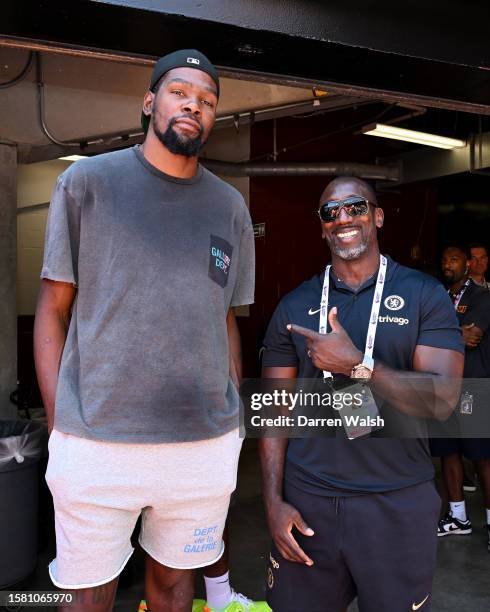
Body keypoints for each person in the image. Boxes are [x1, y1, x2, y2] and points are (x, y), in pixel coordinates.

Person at [34, 49, 262, 612]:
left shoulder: (229, 206)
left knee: (175, 587)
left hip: (201, 445)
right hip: (96, 441)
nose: (194, 105)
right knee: (86, 594)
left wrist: (231, 420)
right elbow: (51, 308)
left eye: (207, 100)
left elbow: (225, 318)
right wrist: (62, 425)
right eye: (180, 92)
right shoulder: (87, 184)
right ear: (149, 102)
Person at [259, 177, 464, 612]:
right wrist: (273, 501)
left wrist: (358, 366)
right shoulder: (295, 305)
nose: (343, 218)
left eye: (355, 207)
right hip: (308, 502)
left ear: (377, 215)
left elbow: (443, 399)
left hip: (396, 502)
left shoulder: (423, 295)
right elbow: (273, 411)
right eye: (330, 213)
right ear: (321, 228)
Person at [430, 246, 490, 550]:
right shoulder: (438, 295)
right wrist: (453, 331)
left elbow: (473, 337)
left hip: (473, 387)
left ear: (467, 265)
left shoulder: (481, 296)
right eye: (444, 259)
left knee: (481, 457)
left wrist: (437, 333)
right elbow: (425, 331)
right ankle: (457, 517)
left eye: (452, 258)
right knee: (447, 452)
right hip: (443, 386)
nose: (446, 263)